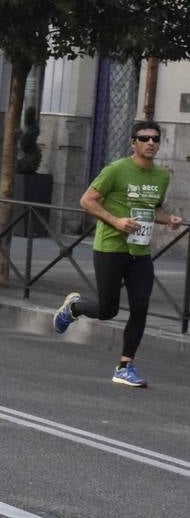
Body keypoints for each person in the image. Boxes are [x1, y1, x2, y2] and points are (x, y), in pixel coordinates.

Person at [53, 120, 182, 387]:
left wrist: (168, 220)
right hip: (111, 247)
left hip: (140, 250)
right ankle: (74, 307)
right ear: (133, 142)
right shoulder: (116, 170)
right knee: (107, 309)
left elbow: (152, 208)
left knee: (141, 306)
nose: (150, 143)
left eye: (155, 139)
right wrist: (116, 221)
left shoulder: (161, 176)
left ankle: (125, 366)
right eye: (144, 138)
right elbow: (87, 200)